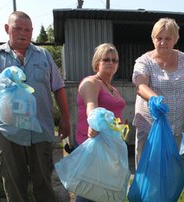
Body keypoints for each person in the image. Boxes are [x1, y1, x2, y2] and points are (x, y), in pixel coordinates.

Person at [0, 11, 70, 202]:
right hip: (7, 130)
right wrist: (3, 82)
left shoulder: (43, 56)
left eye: (27, 29)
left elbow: (58, 87)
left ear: (32, 31)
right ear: (7, 29)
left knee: (43, 181)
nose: (23, 33)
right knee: (14, 183)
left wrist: (66, 119)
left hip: (41, 128)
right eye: (18, 28)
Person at [132, 18, 184, 166]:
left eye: (168, 38)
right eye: (158, 38)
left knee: (171, 166)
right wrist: (154, 99)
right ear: (153, 39)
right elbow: (140, 85)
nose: (162, 42)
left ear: (176, 39)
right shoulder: (144, 61)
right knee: (148, 166)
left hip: (177, 124)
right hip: (150, 124)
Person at [74, 43, 126, 202]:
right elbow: (92, 106)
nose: (111, 63)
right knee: (88, 191)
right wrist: (94, 123)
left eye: (114, 60)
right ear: (97, 63)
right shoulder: (91, 82)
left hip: (109, 145)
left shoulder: (112, 88)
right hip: (91, 143)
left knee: (104, 190)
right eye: (106, 60)